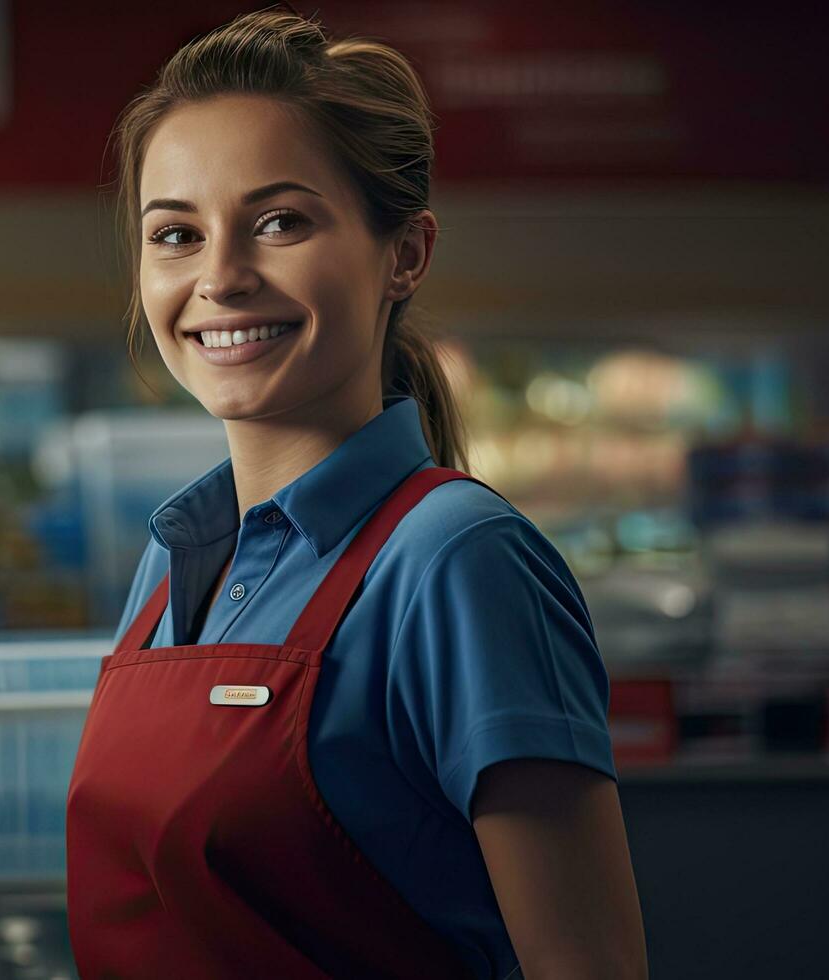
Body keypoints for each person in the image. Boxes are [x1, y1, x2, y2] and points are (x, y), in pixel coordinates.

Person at [65, 9, 646, 980]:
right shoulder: (169, 566)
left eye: (280, 221)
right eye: (175, 232)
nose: (220, 276)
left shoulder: (457, 556)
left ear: (405, 254)